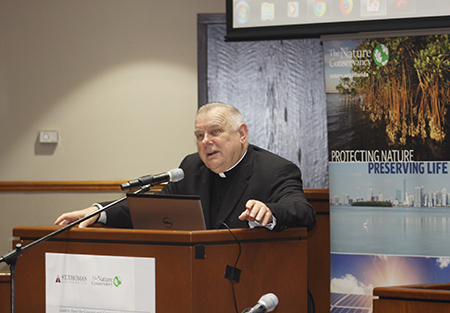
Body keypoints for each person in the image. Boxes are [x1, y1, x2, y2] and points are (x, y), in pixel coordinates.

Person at [55, 102, 316, 231]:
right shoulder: (191, 168)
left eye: (215, 131)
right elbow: (152, 210)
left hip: (255, 280)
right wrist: (98, 212)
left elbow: (303, 212)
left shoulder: (275, 169)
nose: (206, 142)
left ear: (242, 134)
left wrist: (270, 211)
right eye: (199, 136)